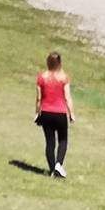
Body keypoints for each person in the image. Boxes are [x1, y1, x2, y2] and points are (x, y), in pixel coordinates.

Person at [34, 50, 75, 178]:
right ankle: (58, 164)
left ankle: (53, 169)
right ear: (59, 63)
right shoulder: (64, 78)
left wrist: (37, 113)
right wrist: (71, 113)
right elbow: (67, 97)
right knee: (63, 140)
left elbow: (39, 98)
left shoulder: (41, 77)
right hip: (60, 113)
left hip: (46, 113)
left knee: (50, 142)